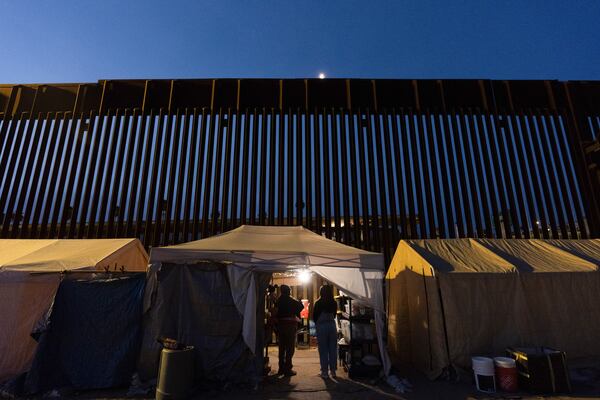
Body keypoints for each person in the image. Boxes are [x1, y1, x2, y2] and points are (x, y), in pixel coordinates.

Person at [274, 284, 304, 376]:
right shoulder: (291, 300)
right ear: (289, 291)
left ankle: (281, 368)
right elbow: (301, 307)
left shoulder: (278, 301)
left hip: (280, 326)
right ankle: (288, 368)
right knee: (290, 348)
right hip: (290, 326)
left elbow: (275, 312)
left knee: (281, 347)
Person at [312, 285, 338, 378]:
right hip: (332, 325)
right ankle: (333, 371)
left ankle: (324, 372)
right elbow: (334, 316)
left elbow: (314, 317)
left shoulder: (318, 302)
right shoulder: (334, 302)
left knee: (323, 350)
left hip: (322, 325)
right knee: (332, 349)